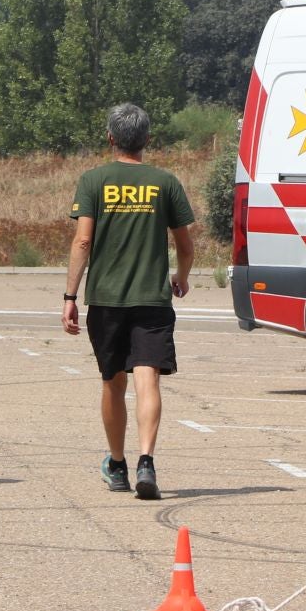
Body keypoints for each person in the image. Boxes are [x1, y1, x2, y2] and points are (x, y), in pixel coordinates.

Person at [62, 103, 196, 501]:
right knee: (147, 378)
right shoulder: (165, 182)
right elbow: (185, 245)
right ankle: (146, 461)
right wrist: (181, 278)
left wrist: (70, 295)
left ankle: (117, 465)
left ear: (110, 138)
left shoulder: (93, 181)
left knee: (112, 382)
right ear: (147, 139)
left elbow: (83, 241)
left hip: (106, 300)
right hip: (152, 300)